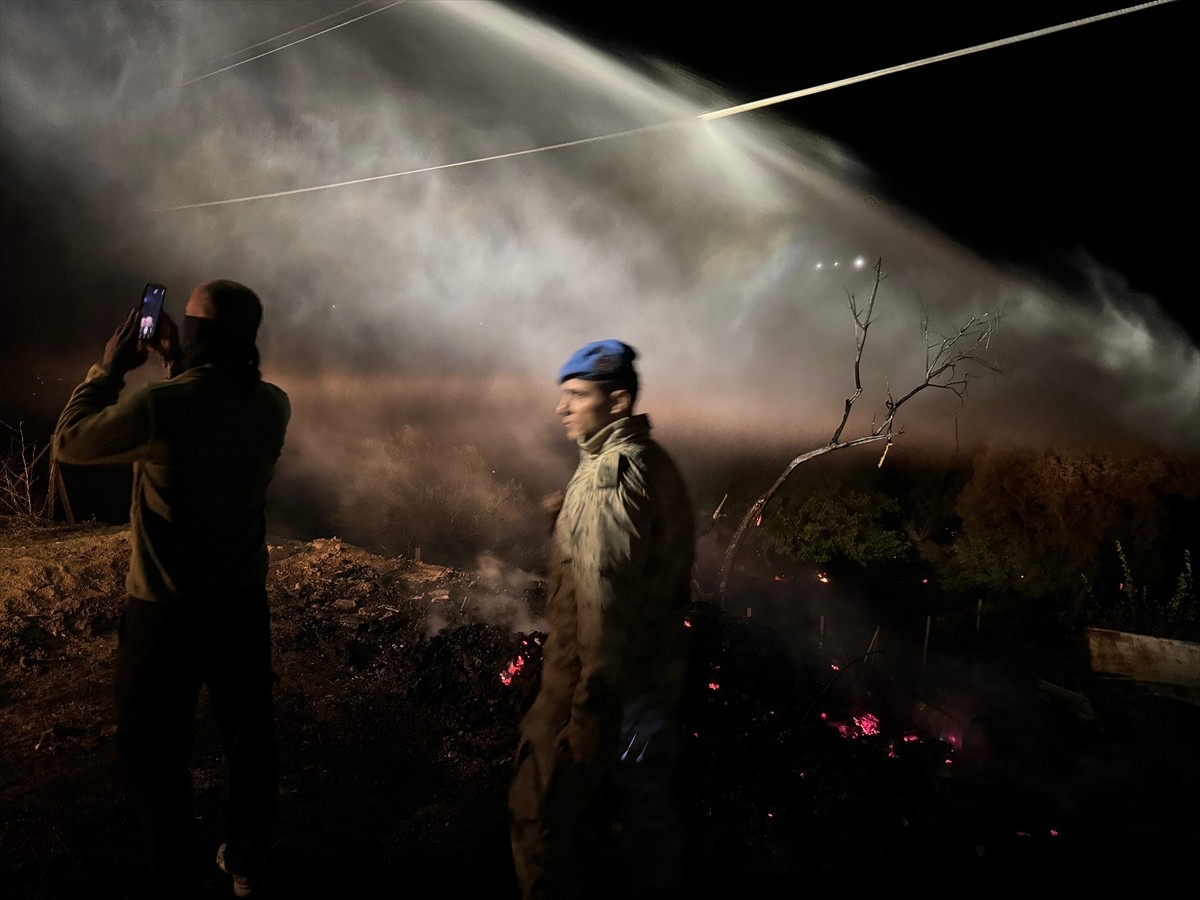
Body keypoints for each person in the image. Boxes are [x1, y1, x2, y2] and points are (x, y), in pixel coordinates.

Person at [53, 279, 291, 899]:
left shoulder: (160, 404)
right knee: (247, 735)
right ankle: (246, 862)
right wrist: (180, 364)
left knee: (154, 748)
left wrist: (109, 369)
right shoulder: (273, 405)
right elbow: (213, 394)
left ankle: (172, 871)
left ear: (194, 333)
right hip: (239, 602)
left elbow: (70, 442)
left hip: (165, 608)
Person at [508, 339, 697, 900]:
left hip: (594, 685)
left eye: (575, 395)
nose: (561, 408)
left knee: (535, 810)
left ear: (616, 403)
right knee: (646, 820)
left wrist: (590, 711)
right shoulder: (648, 460)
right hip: (651, 682)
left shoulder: (609, 477)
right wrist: (569, 522)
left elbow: (606, 601)